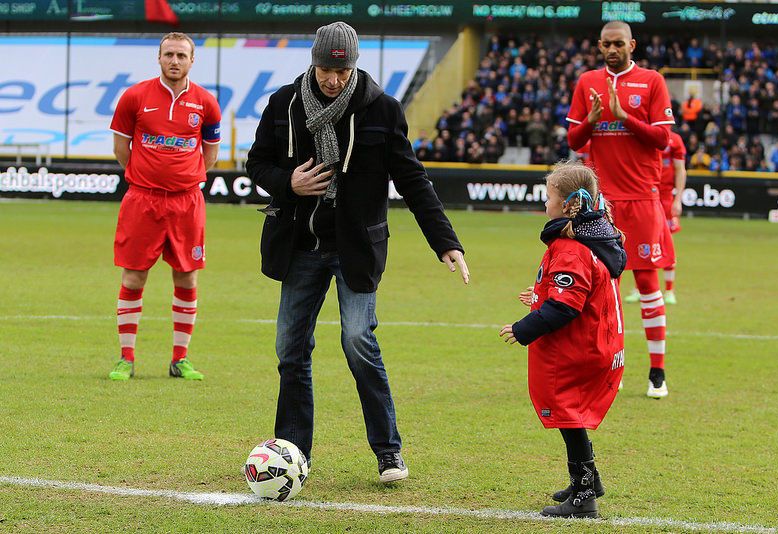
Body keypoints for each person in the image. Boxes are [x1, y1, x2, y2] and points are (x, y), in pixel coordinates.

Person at [245, 22, 469, 483]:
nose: (332, 79)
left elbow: (412, 179)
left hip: (356, 250)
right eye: (326, 69)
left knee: (357, 342)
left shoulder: (383, 109)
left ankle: (389, 452)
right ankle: (292, 453)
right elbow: (257, 163)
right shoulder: (283, 103)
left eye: (341, 72)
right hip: (300, 244)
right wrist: (289, 183)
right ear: (315, 60)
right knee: (290, 351)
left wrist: (445, 242)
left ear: (354, 65)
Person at [500, 162, 625, 519]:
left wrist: (524, 328)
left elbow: (567, 305)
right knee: (572, 414)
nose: (545, 204)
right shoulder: (595, 236)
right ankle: (588, 479)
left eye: (549, 197)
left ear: (567, 203)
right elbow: (581, 289)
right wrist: (540, 295)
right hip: (596, 341)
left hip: (578, 347)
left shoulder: (571, 246)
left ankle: (585, 494)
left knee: (568, 413)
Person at [566, 21, 675, 398]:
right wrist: (593, 120)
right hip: (602, 203)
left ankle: (657, 372)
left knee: (647, 284)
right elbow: (574, 139)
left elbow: (664, 139)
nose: (613, 50)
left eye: (619, 44)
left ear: (632, 44)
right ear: (599, 46)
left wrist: (625, 117)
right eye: (606, 45)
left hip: (643, 198)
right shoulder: (586, 82)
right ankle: (614, 367)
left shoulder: (652, 81)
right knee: (606, 288)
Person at [108, 32, 221, 381]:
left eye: (181, 55)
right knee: (134, 274)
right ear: (158, 58)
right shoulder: (134, 97)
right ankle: (126, 358)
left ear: (192, 61)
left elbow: (210, 153)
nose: (175, 61)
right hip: (142, 199)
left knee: (186, 276)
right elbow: (121, 149)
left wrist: (185, 178)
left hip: (187, 201)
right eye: (169, 54)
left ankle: (180, 359)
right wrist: (145, 177)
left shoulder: (205, 102)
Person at [625, 129, 686, 305]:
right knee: (638, 241)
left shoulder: (675, 140)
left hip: (665, 198)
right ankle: (639, 288)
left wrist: (678, 199)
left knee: (667, 244)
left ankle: (669, 290)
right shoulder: (642, 136)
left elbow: (680, 170)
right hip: (644, 196)